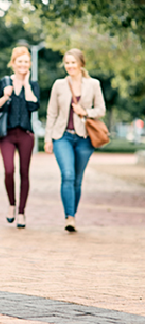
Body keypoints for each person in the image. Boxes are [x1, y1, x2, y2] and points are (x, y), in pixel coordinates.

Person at [44, 48, 106, 232]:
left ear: (81, 64)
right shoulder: (59, 85)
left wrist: (85, 112)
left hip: (85, 138)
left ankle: (73, 213)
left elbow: (101, 110)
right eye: (67, 63)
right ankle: (69, 217)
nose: (70, 66)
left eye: (73, 62)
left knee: (78, 179)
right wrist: (48, 138)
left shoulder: (93, 84)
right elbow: (51, 113)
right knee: (68, 175)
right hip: (62, 136)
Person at [0, 46, 40, 228]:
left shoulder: (33, 84)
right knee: (8, 170)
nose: (23, 65)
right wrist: (6, 96)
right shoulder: (4, 82)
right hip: (7, 134)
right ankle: (11, 204)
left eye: (26, 62)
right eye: (20, 61)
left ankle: (21, 212)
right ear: (13, 63)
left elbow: (34, 106)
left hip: (26, 135)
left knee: (24, 172)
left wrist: (27, 84)